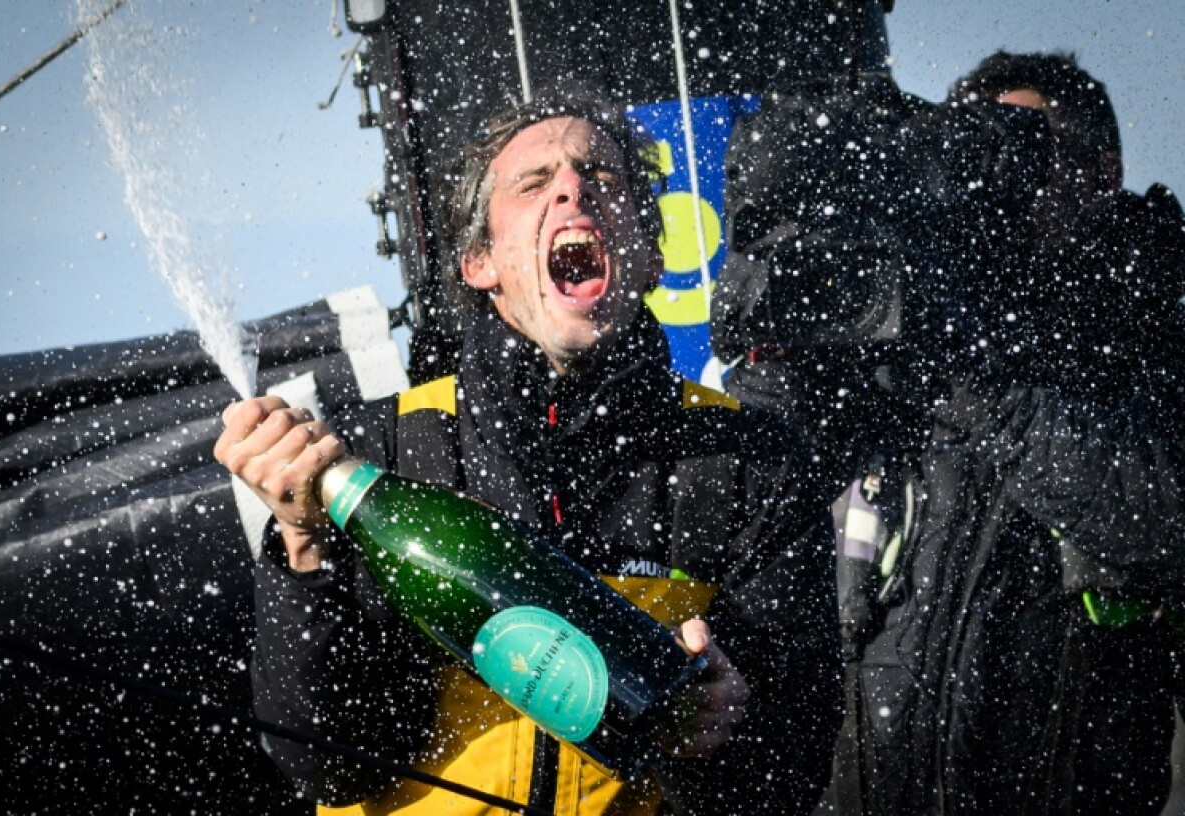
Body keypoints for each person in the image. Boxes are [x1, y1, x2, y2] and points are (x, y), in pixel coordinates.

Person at [215, 91, 841, 815]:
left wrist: (722, 731)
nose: (574, 188)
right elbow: (324, 765)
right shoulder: (380, 449)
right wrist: (302, 547)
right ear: (481, 260)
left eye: (601, 177)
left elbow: (792, 772)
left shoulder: (749, 460)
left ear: (650, 256)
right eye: (534, 182)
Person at [711, 51, 1184, 816]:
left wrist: (961, 372)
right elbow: (760, 480)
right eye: (977, 151)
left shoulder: (1151, 321)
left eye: (1026, 151)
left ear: (1102, 174)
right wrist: (785, 310)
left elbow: (1155, 515)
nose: (1003, 184)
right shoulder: (914, 321)